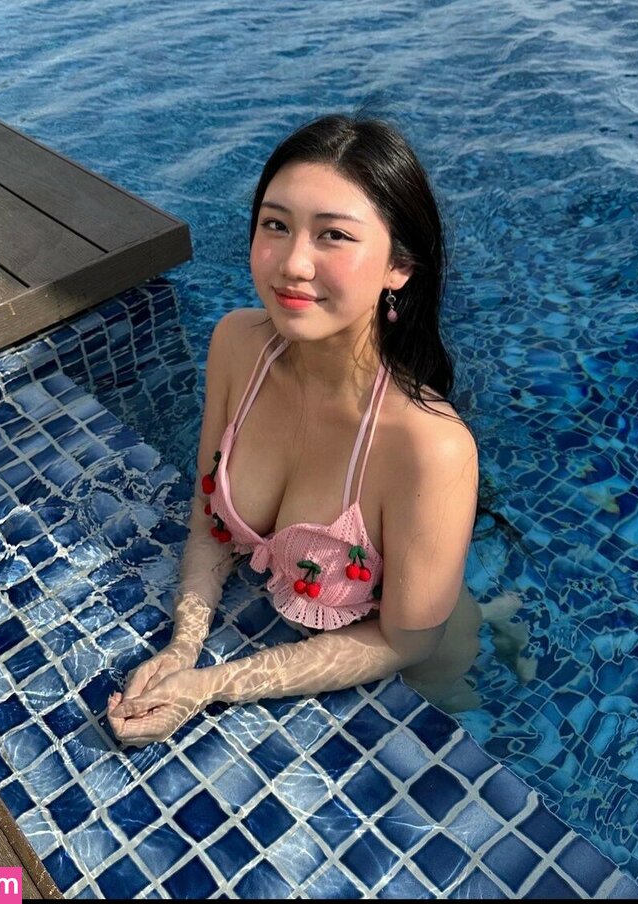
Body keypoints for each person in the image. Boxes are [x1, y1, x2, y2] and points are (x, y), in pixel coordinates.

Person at [108, 114, 529, 745]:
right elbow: (209, 524)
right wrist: (182, 649)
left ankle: (495, 618)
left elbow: (405, 642)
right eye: (276, 225)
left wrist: (210, 687)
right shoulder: (237, 346)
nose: (293, 264)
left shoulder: (429, 446)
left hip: (415, 657)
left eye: (333, 235)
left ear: (399, 266)